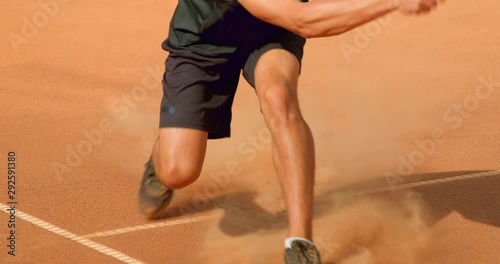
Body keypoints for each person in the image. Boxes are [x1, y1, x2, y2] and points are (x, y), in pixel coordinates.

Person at [138, 0, 441, 263]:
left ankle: (300, 242)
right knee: (179, 172)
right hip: (204, 40)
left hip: (272, 32)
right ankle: (160, 154)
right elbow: (301, 19)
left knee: (279, 98)